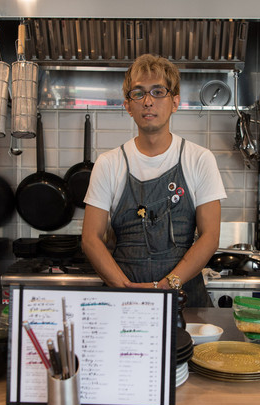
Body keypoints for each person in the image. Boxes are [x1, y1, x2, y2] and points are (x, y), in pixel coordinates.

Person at [81, 54, 226, 307]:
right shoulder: (109, 163)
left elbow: (210, 236)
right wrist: (127, 291)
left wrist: (167, 285)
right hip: (124, 299)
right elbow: (90, 239)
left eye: (158, 92)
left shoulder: (199, 159)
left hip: (184, 299)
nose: (148, 101)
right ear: (128, 106)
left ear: (175, 102)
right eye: (138, 93)